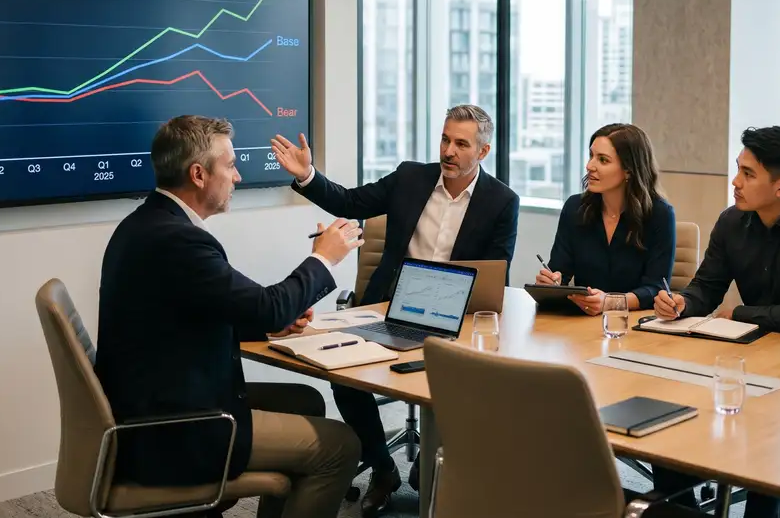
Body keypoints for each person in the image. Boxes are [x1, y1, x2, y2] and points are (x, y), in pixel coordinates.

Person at [94, 115, 363, 518]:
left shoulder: (148, 225)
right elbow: (267, 304)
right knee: (340, 447)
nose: (237, 177)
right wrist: (324, 258)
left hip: (160, 399)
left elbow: (198, 314)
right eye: (231, 165)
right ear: (199, 174)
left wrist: (271, 323)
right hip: (176, 428)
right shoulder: (178, 240)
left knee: (305, 400)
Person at [271, 104, 520, 516]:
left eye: (461, 144)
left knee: (458, 380)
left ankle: (432, 459)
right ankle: (383, 467)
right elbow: (349, 201)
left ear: (483, 151)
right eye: (445, 139)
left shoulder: (501, 201)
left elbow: (495, 274)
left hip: (453, 318)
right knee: (341, 374)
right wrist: (306, 176)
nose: (449, 151)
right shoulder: (410, 177)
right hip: (387, 307)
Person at [651, 126, 780, 518]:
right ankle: (678, 507)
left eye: (748, 174)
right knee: (669, 411)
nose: (735, 182)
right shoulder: (732, 221)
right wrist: (681, 302)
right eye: (737, 169)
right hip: (753, 357)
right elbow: (706, 287)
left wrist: (739, 314)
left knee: (768, 461)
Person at [536, 123, 675, 315]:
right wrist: (552, 283)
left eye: (603, 160)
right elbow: (559, 270)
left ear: (629, 170)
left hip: (634, 324)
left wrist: (610, 302)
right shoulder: (575, 208)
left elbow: (656, 289)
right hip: (582, 324)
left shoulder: (660, 214)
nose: (590, 166)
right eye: (591, 156)